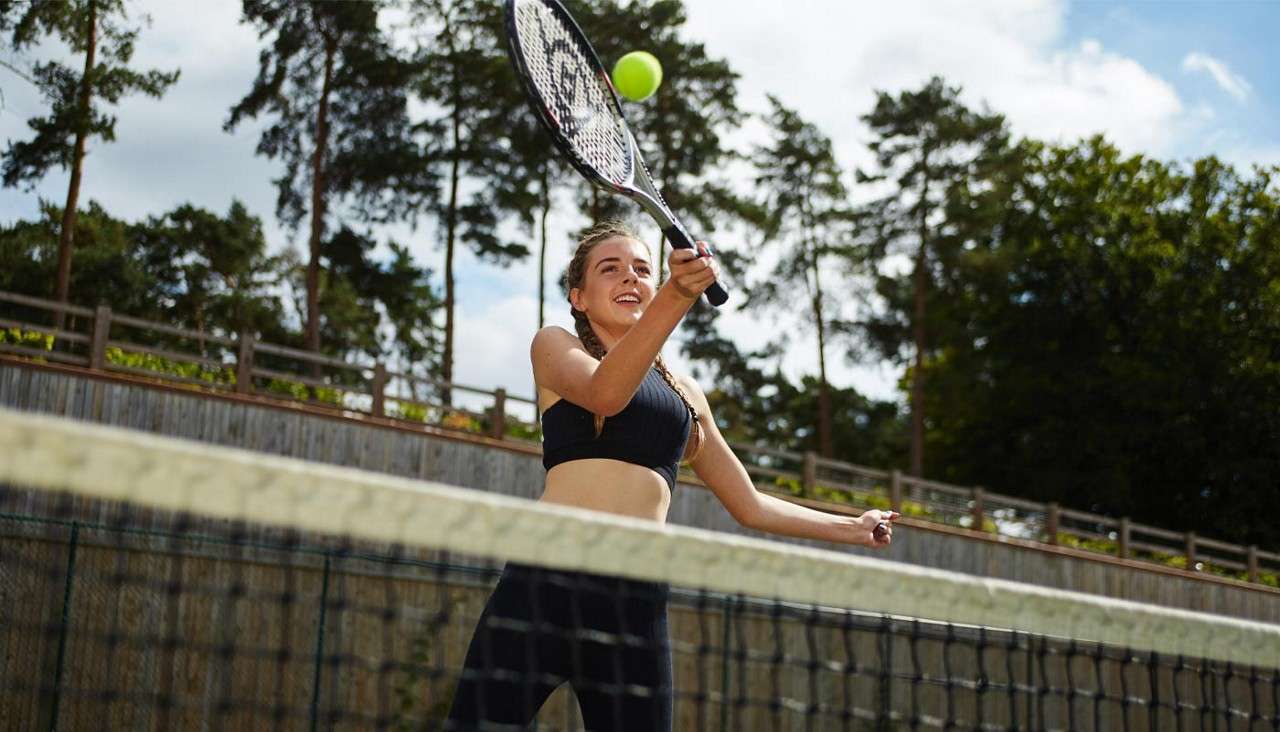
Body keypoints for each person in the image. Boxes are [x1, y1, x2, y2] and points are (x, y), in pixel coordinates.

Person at [444, 221, 898, 730]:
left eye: (642, 269)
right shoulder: (555, 345)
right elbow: (606, 395)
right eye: (609, 269)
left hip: (634, 605)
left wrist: (850, 528)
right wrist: (678, 294)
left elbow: (748, 504)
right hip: (544, 583)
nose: (630, 279)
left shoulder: (685, 395)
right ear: (579, 297)